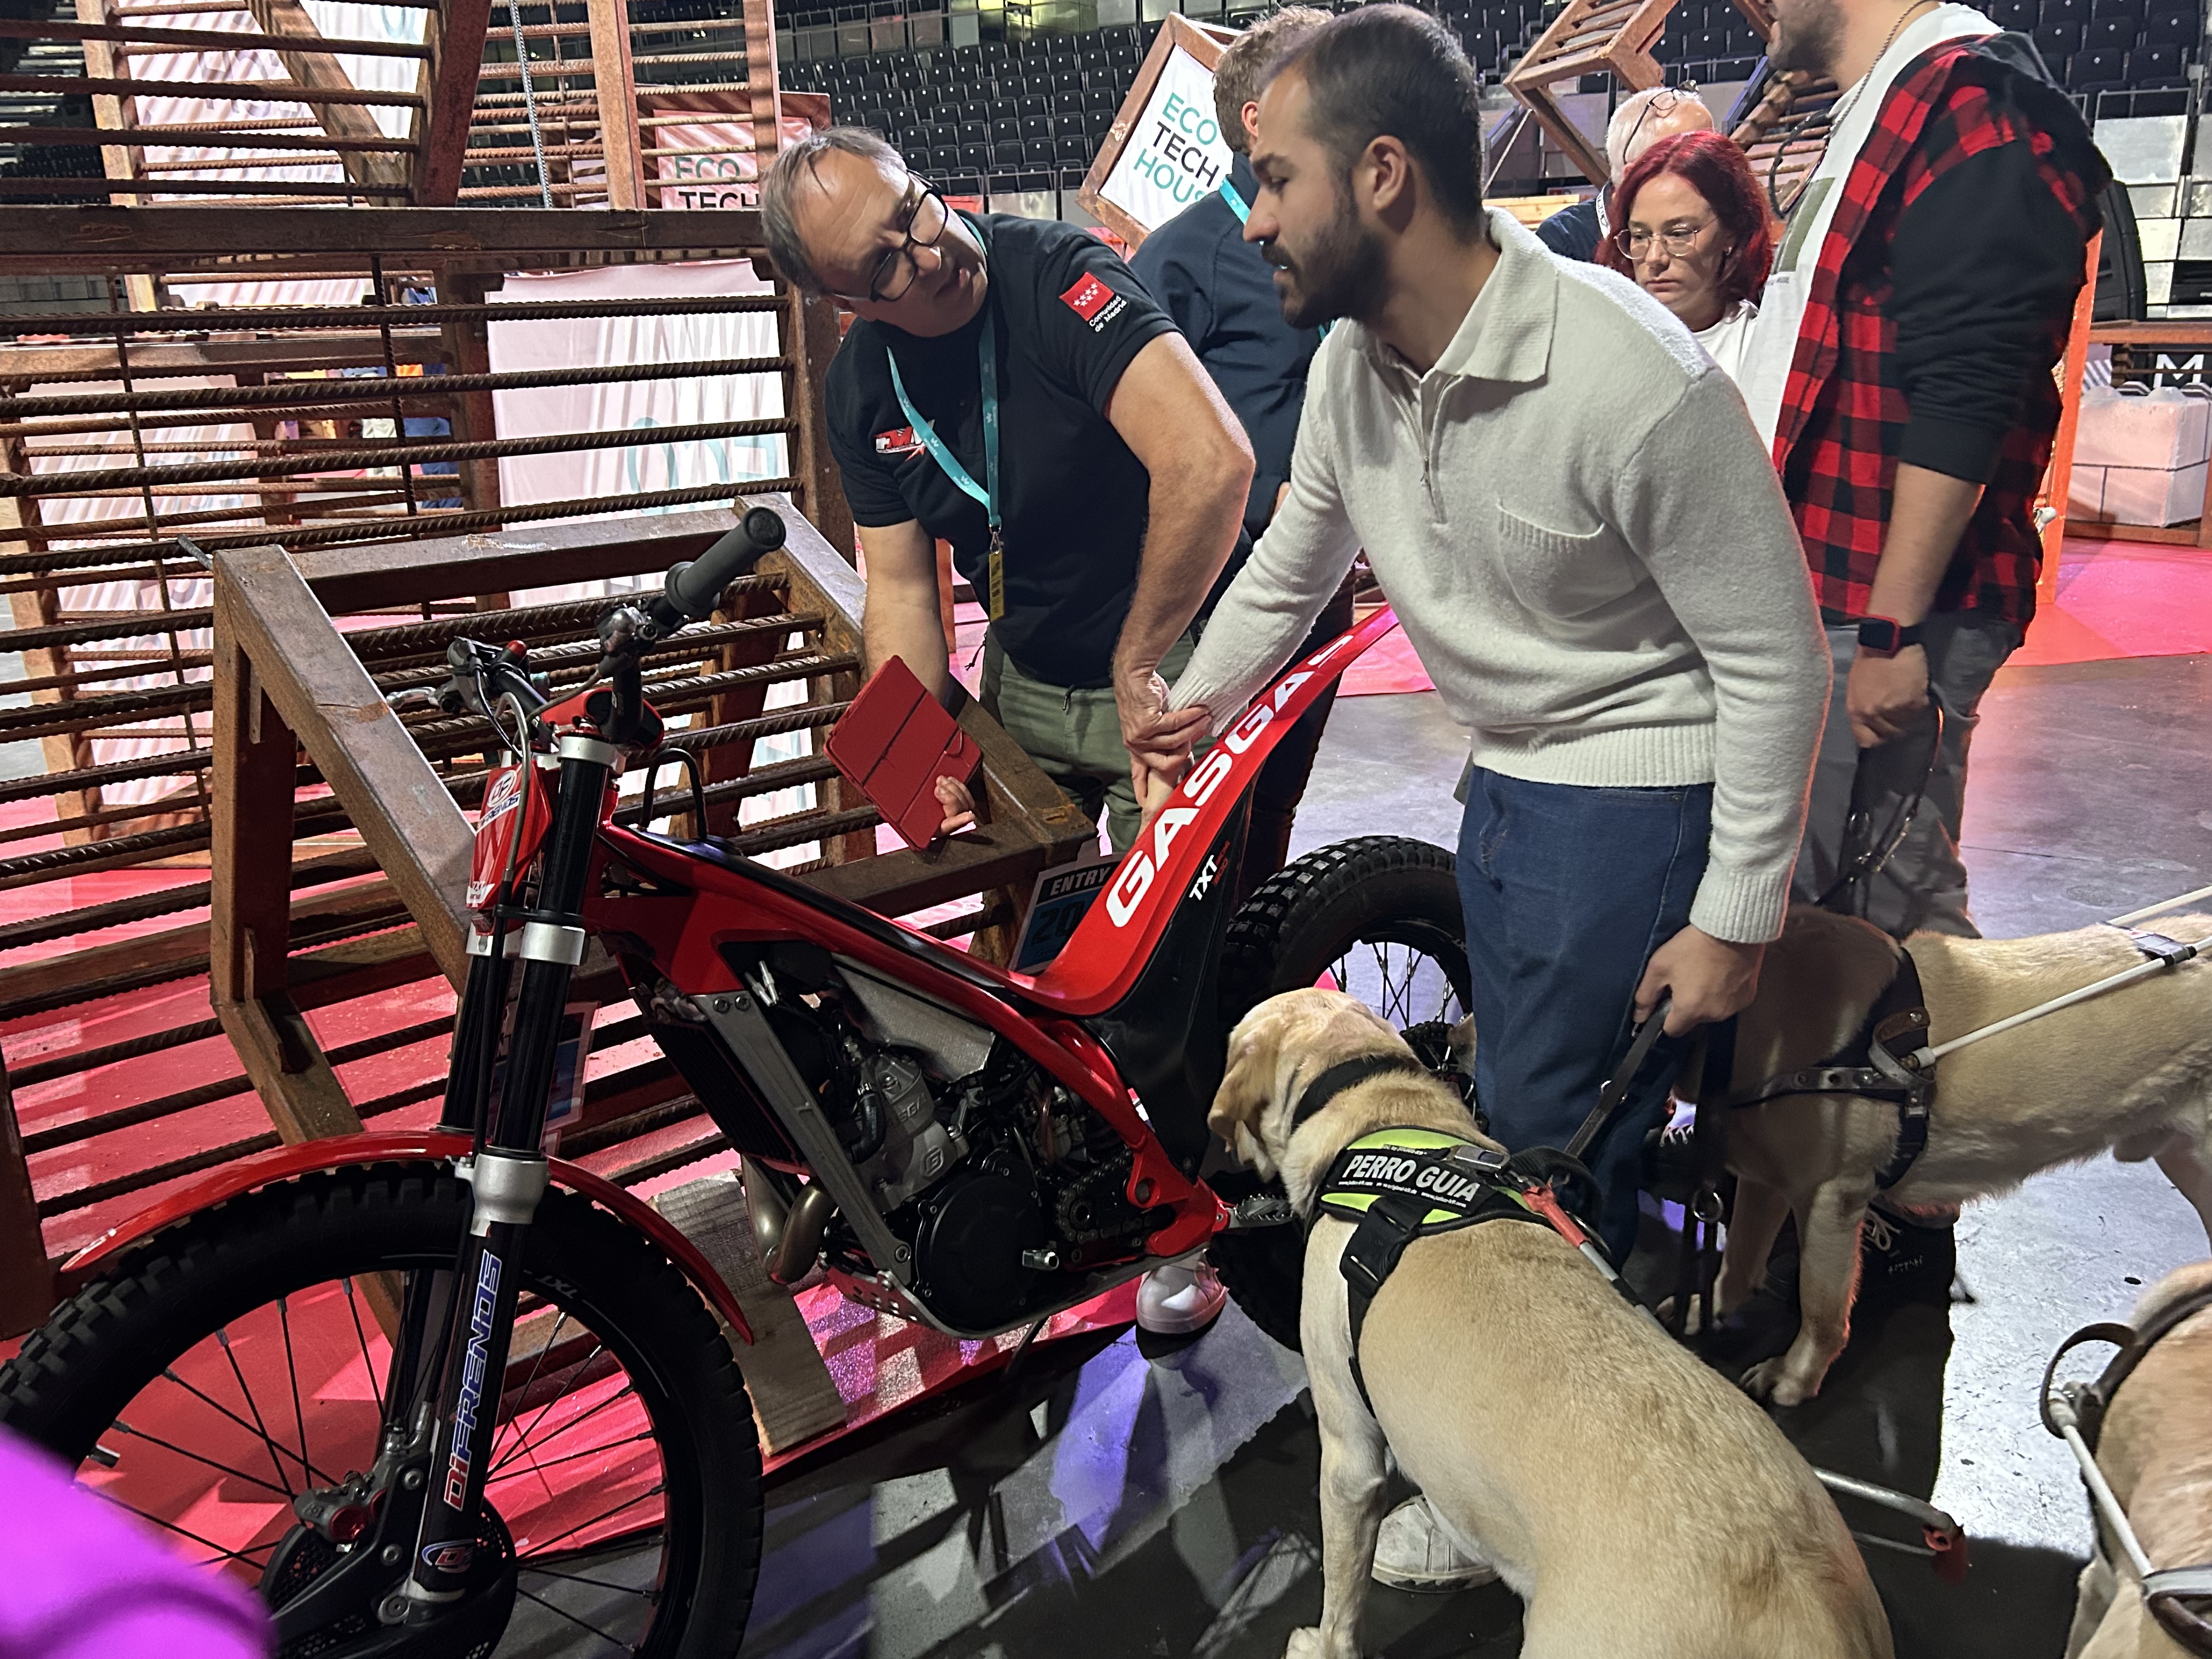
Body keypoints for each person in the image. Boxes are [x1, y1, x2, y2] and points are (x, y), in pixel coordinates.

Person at [1133, 4, 1830, 1590]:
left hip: (1631, 801)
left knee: (1539, 1148)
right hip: (1509, 786)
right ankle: (1573, 1441)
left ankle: (1578, 1496)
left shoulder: (1628, 375)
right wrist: (1185, 704)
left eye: (1271, 177)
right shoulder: (1349, 369)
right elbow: (1298, 553)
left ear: (1382, 176)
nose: (1249, 217)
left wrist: (1734, 913)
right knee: (1528, 1127)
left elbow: (1773, 654)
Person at [758, 128, 1251, 1336]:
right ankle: (1034, 1195)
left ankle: (1184, 1219)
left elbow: (1212, 459)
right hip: (1033, 667)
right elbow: (905, 596)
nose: (931, 251)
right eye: (883, 262)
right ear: (837, 304)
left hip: (1175, 653)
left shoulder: (1057, 279)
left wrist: (1144, 662)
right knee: (1021, 946)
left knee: (1164, 965)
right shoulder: (862, 387)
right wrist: (912, 758)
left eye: (919, 209)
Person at [1726, 0, 2106, 1296]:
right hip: (1841, 593)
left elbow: (1968, 388)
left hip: (1888, 614)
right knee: (1847, 898)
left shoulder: (1974, 106)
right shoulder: (1901, 102)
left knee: (1895, 908)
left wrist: (1890, 630)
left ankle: (1921, 1193)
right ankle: (1873, 1165)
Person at [1130, 5, 1346, 905]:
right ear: (1256, 118)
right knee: (1206, 811)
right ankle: (1197, 1004)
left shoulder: (1339, 239)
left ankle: (1254, 975)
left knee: (1279, 800)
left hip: (1321, 578)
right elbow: (1136, 448)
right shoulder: (1177, 259)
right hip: (1220, 595)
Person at [1596, 128, 1773, 381]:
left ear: (1731, 232)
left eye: (1679, 234)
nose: (1655, 258)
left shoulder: (1764, 351)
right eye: (1640, 236)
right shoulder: (1598, 346)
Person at [1533, 83, 1714, 262]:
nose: (1713, 169)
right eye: (1692, 158)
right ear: (1634, 171)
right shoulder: (1562, 241)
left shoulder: (1714, 228)